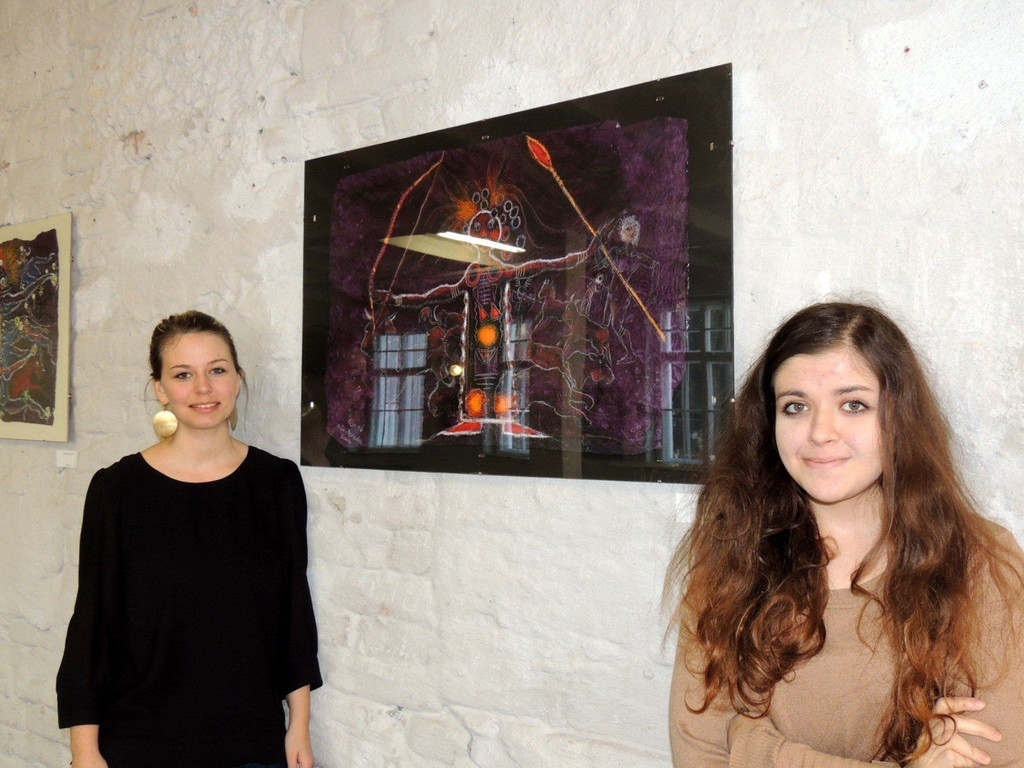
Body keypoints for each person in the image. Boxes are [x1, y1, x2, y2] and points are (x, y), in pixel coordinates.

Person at [664, 301, 1024, 767]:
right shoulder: (733, 554)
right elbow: (700, 756)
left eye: (853, 405)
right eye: (795, 407)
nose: (820, 432)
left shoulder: (980, 561)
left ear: (900, 417)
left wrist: (757, 750)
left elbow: (998, 754)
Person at [57, 310, 322, 768]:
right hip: (140, 743)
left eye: (217, 370)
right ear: (160, 389)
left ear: (237, 379)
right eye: (183, 374)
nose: (203, 388)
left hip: (251, 742)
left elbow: (293, 612)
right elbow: (92, 624)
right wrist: (84, 750)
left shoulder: (276, 482)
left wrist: (299, 724)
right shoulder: (117, 490)